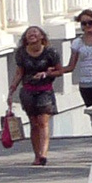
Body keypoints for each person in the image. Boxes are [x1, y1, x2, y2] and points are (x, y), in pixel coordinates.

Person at [9, 26, 68, 164]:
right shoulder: (21, 53)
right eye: (29, 33)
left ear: (42, 37)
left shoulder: (50, 52)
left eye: (35, 32)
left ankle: (43, 154)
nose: (32, 34)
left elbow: (60, 71)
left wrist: (46, 73)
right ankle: (36, 155)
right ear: (25, 38)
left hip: (45, 90)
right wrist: (12, 89)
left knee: (42, 122)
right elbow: (19, 73)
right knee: (34, 123)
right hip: (28, 91)